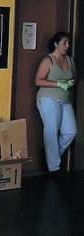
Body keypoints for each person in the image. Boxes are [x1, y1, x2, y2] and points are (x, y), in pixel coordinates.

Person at [35, 31, 77, 173]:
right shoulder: (48, 60)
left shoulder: (70, 60)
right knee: (51, 131)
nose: (67, 45)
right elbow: (38, 80)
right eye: (64, 43)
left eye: (68, 43)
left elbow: (74, 77)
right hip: (48, 99)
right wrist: (58, 83)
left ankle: (50, 155)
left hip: (65, 100)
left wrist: (70, 82)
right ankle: (54, 167)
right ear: (56, 44)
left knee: (71, 131)